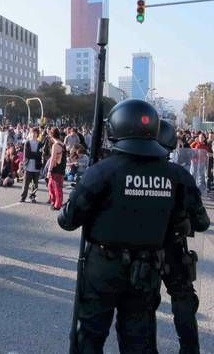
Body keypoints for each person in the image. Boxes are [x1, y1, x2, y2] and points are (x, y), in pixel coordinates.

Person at [57, 99, 197, 353]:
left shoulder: (102, 171)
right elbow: (198, 220)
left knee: (90, 336)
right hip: (146, 271)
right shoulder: (175, 175)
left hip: (103, 268)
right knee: (139, 341)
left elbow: (67, 220)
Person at [157, 120, 210, 353]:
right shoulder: (179, 175)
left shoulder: (119, 170)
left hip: (136, 252)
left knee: (137, 307)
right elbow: (202, 222)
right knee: (184, 300)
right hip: (172, 248)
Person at [20, 127, 42, 203]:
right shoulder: (27, 142)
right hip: (28, 165)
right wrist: (35, 155)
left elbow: (40, 155)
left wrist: (33, 154)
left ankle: (32, 197)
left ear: (37, 134)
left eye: (35, 133)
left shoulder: (40, 143)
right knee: (26, 183)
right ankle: (23, 197)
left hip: (36, 166)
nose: (34, 134)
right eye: (32, 132)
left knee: (35, 184)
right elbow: (27, 155)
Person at [47, 127, 66, 210]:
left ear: (52, 135)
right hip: (61, 168)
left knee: (56, 187)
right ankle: (54, 202)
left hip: (56, 169)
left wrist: (49, 170)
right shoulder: (63, 144)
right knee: (51, 185)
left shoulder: (55, 145)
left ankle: (57, 204)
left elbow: (53, 158)